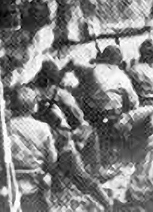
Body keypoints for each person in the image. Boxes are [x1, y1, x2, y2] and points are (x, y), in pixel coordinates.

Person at [32, 60, 113, 210]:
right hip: (60, 146)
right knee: (82, 175)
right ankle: (107, 201)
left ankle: (62, 183)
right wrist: (75, 138)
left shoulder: (34, 97)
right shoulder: (63, 97)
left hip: (44, 148)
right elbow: (79, 122)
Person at [0, 86, 57, 212]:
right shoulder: (43, 129)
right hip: (33, 183)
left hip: (8, 182)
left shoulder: (3, 128)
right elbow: (52, 159)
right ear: (34, 107)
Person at [83, 46, 153, 144]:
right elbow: (134, 102)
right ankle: (146, 145)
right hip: (114, 122)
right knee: (151, 109)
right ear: (118, 61)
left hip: (95, 120)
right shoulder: (121, 76)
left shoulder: (91, 70)